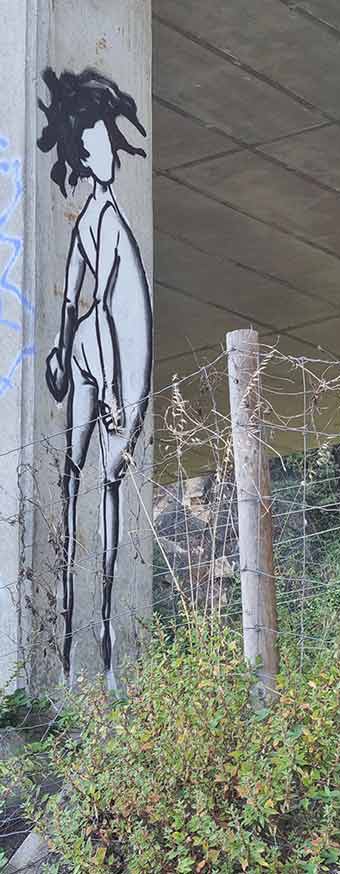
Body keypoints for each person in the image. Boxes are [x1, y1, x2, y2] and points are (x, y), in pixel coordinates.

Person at [37, 68, 152, 681]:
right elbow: (90, 306)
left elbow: (85, 305)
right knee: (84, 476)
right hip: (97, 360)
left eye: (107, 141)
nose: (105, 152)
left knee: (88, 477)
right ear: (83, 157)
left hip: (99, 360)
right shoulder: (97, 225)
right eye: (94, 146)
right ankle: (83, 628)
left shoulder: (101, 224)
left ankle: (90, 627)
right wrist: (91, 376)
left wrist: (71, 355)